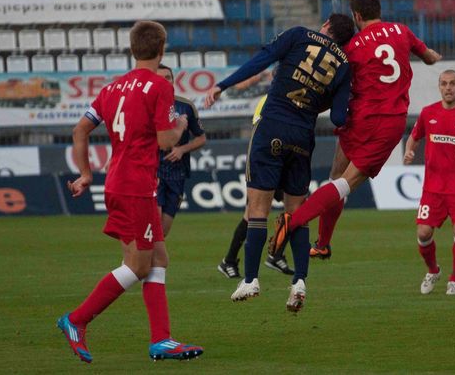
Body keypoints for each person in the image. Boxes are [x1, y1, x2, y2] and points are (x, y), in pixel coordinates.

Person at [57, 20, 203, 363]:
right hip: (135, 185)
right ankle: (76, 320)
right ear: (162, 49)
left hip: (121, 181)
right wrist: (180, 125)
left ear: (133, 48)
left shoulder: (113, 88)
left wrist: (85, 173)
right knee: (138, 266)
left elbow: (80, 131)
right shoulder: (158, 86)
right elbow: (167, 141)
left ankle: (161, 340)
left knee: (158, 258)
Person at [269, 0, 442, 262]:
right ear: (378, 10)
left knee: (336, 175)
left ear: (357, 16)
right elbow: (429, 57)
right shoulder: (402, 31)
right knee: (346, 184)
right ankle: (292, 223)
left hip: (357, 119)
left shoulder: (352, 48)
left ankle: (323, 243)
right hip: (386, 123)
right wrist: (433, 56)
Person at [205, 13, 356, 312]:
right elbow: (339, 118)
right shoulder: (344, 66)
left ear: (325, 25)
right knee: (296, 213)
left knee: (257, 209)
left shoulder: (299, 34)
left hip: (272, 125)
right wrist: (318, 99)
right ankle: (299, 282)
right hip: (302, 137)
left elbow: (262, 59)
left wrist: (223, 85)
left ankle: (250, 279)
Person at [404, 69, 455, 295]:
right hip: (433, 187)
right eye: (444, 84)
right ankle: (433, 271)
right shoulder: (427, 112)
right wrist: (409, 151)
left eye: (453, 84)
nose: (448, 88)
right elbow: (414, 136)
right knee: (423, 233)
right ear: (439, 87)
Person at [218, 95, 293, 278]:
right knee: (252, 215)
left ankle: (275, 254)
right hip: (266, 164)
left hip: (281, 164)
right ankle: (229, 261)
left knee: (297, 210)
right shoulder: (269, 100)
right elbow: (261, 131)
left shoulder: (290, 100)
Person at [155, 64, 207, 237]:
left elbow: (201, 138)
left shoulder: (186, 106)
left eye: (168, 78)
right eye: (160, 79)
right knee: (152, 233)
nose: (165, 82)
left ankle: (147, 263)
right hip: (152, 173)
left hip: (177, 175)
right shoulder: (147, 105)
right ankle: (136, 263)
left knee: (162, 234)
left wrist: (182, 150)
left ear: (173, 81)